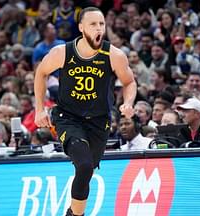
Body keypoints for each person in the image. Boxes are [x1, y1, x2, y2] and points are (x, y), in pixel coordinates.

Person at [34, 7, 137, 216]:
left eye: (101, 24)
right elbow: (41, 73)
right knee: (84, 165)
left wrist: (128, 102)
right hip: (68, 117)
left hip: (98, 121)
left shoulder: (114, 55)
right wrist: (39, 109)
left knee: (86, 169)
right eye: (93, 24)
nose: (99, 28)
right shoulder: (62, 52)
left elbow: (129, 82)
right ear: (81, 28)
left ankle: (73, 212)